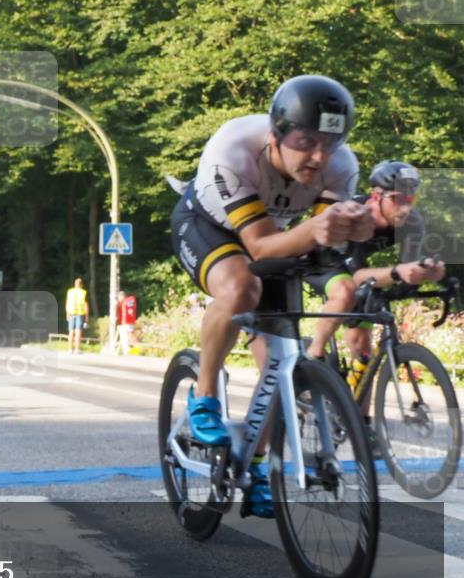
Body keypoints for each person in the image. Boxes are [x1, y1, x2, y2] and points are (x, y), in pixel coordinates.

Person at [170, 74, 373, 518]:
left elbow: (320, 242)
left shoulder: (342, 166)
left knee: (279, 364)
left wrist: (354, 227)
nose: (319, 157)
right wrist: (317, 230)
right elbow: (259, 247)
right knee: (242, 286)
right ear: (276, 133)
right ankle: (204, 396)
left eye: (331, 143)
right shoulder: (235, 150)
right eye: (306, 141)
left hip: (281, 237)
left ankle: (256, 466)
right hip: (210, 226)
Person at [305, 160, 445, 386]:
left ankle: (361, 419)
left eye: (410, 200)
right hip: (321, 260)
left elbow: (406, 266)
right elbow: (357, 275)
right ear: (376, 197)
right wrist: (398, 271)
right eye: (397, 199)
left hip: (353, 268)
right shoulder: (356, 216)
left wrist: (426, 272)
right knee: (345, 291)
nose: (405, 208)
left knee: (364, 353)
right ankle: (314, 355)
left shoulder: (412, 221)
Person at [65, 278, 90, 354]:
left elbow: (67, 303)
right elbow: (86, 305)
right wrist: (87, 316)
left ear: (75, 284)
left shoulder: (70, 292)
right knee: (78, 331)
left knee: (71, 331)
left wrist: (67, 313)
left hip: (71, 313)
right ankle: (77, 349)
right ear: (82, 285)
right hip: (80, 313)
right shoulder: (83, 292)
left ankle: (70, 349)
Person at [116, 290, 139, 355]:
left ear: (122, 296)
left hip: (127, 322)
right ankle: (126, 351)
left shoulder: (126, 302)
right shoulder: (125, 302)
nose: (119, 299)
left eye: (119, 297)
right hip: (124, 323)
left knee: (129, 335)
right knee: (124, 337)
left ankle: (135, 350)